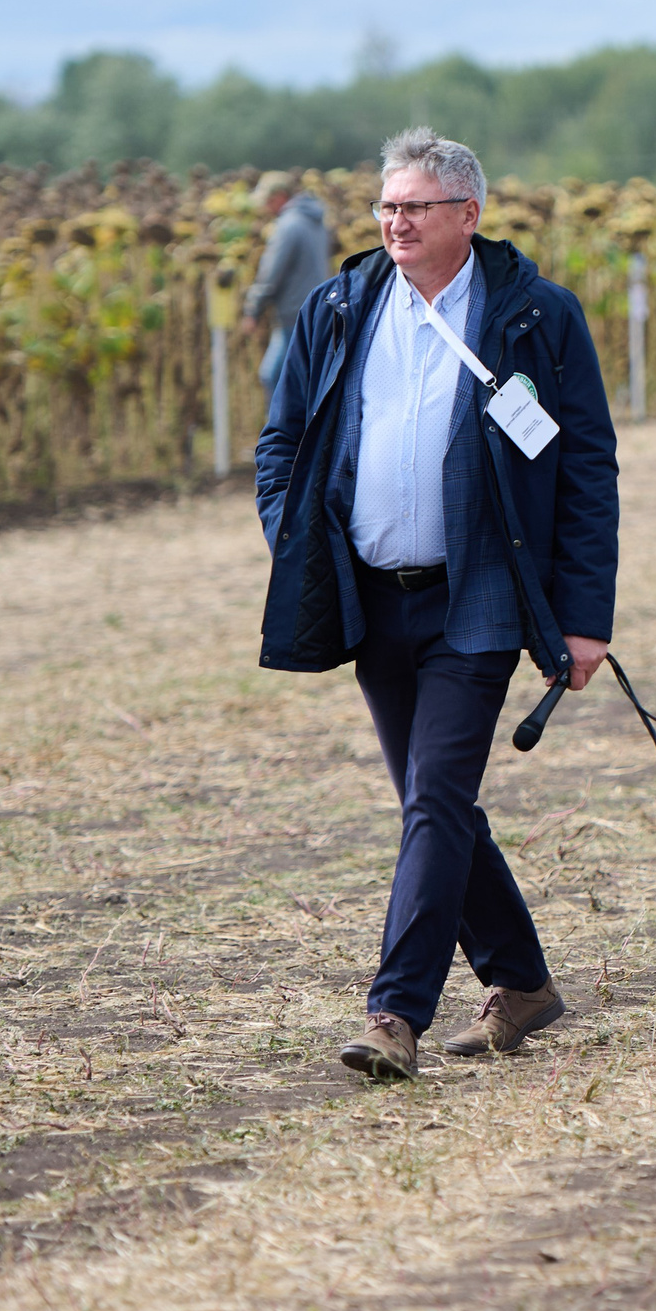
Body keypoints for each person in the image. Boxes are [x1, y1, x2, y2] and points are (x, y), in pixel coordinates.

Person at [255, 128, 619, 1081]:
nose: (395, 220)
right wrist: (295, 543)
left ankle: (394, 1013)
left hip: (483, 595)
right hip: (372, 592)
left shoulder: (537, 317)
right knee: (435, 802)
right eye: (386, 205)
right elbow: (282, 444)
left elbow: (586, 470)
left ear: (469, 214)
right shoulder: (340, 306)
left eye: (416, 205)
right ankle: (526, 983)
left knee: (437, 797)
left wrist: (584, 617)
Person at [244, 171, 337, 390]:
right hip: (317, 311)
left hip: (293, 315)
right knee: (304, 378)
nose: (266, 208)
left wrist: (253, 310)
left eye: (267, 202)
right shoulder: (317, 222)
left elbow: (271, 274)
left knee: (274, 377)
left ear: (278, 197)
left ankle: (281, 425)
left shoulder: (287, 226)